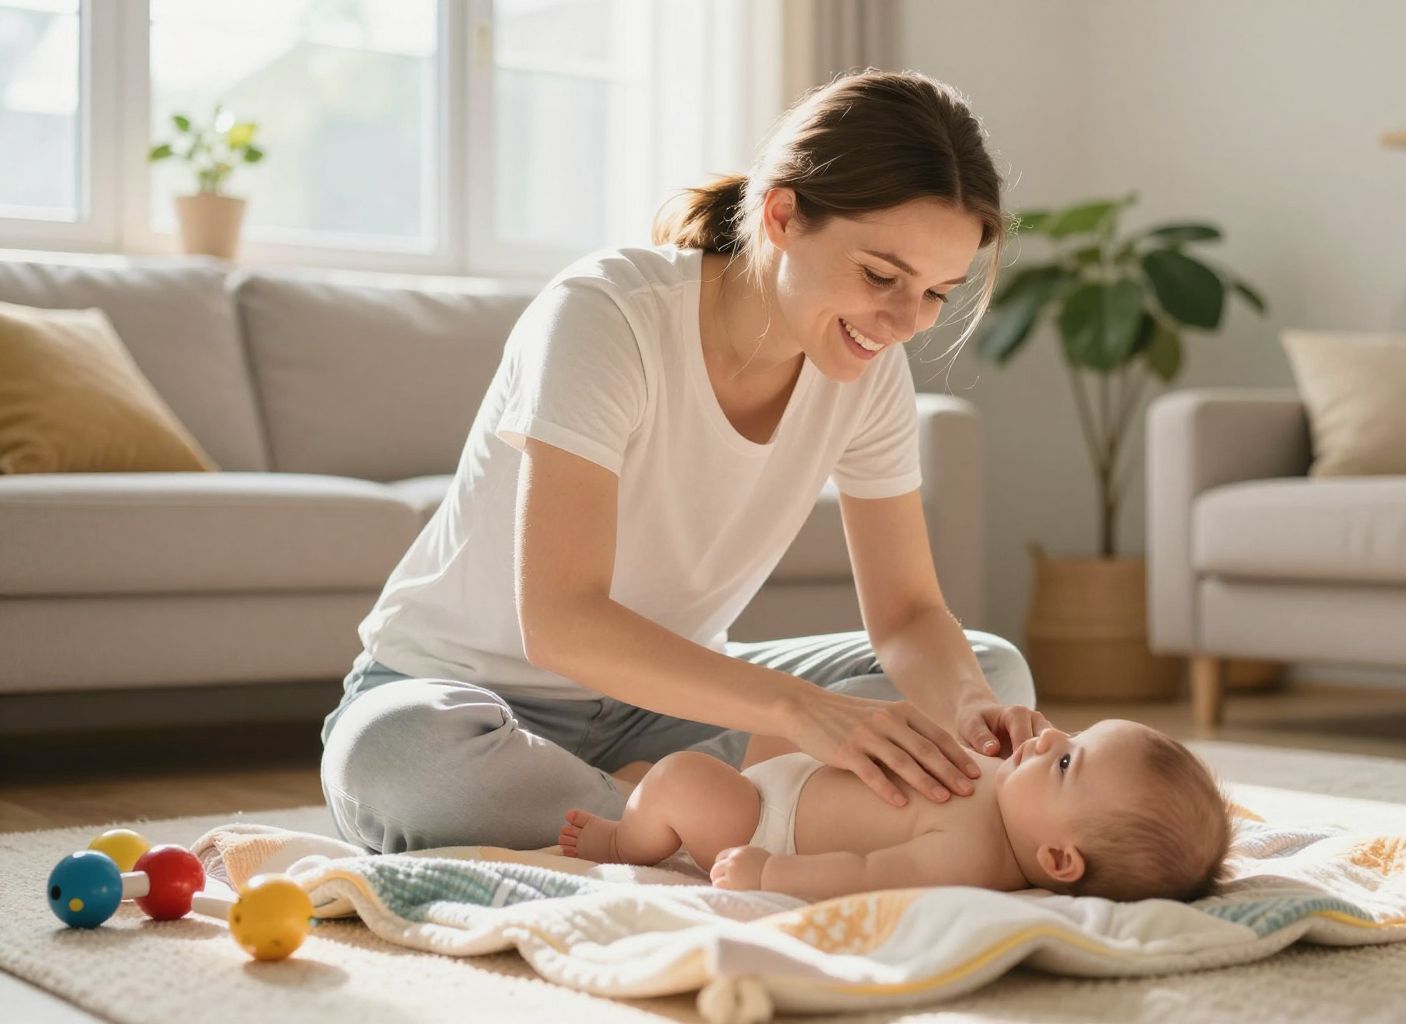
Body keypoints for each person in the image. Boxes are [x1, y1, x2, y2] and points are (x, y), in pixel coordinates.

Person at [319, 68, 1046, 856]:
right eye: (880, 276)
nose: (905, 323)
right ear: (781, 216)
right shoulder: (606, 317)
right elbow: (562, 623)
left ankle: (662, 816)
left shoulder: (869, 373)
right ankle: (719, 812)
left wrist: (970, 705)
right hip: (466, 698)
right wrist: (798, 712)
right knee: (404, 763)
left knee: (991, 670)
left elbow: (907, 616)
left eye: (938, 293)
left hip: (665, 712)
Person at [561, 721, 1236, 904]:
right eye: (1076, 734)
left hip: (768, 821)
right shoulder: (1011, 791)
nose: (1054, 738)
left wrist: (770, 874)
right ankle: (638, 780)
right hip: (803, 767)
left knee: (684, 783)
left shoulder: (969, 860)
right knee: (766, 717)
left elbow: (865, 873)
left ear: (1059, 859)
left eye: (1066, 764)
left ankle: (624, 837)